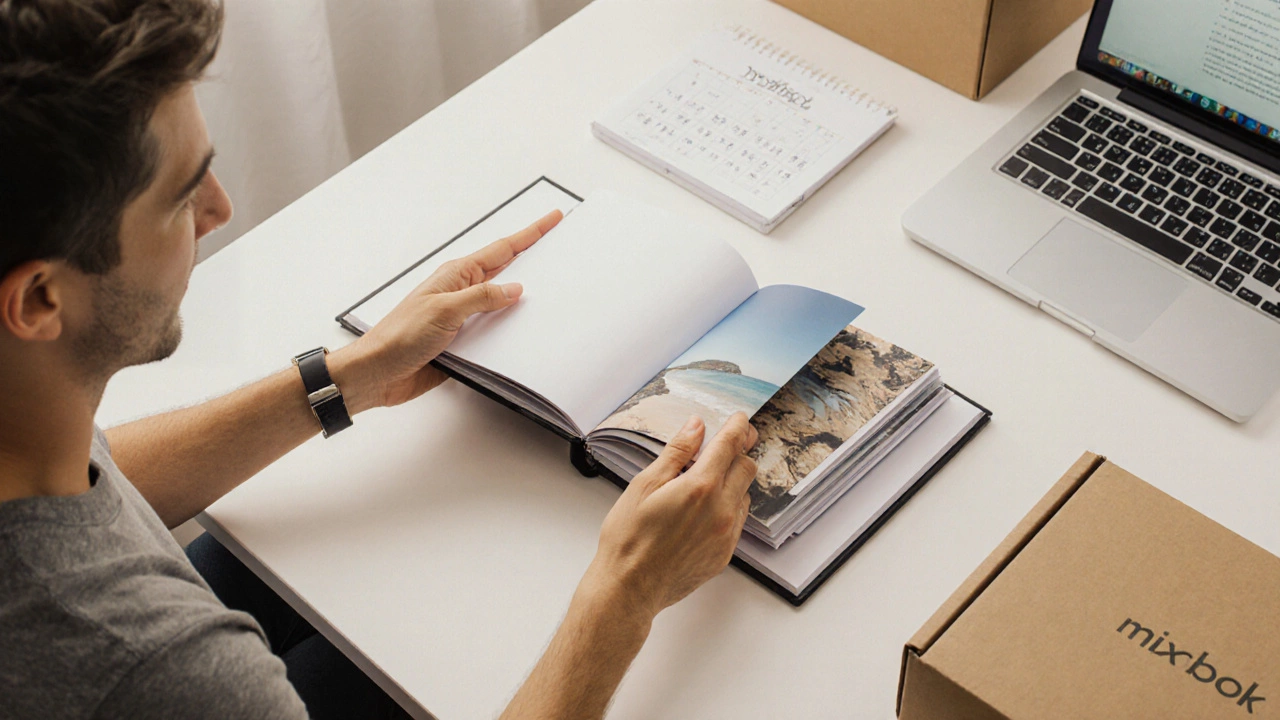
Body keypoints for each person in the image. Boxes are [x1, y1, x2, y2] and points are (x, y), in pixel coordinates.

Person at [0, 1, 760, 718]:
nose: (220, 209)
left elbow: (100, 475)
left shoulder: (28, 417)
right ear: (38, 300)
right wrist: (626, 595)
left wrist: (349, 376)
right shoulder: (159, 665)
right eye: (180, 196)